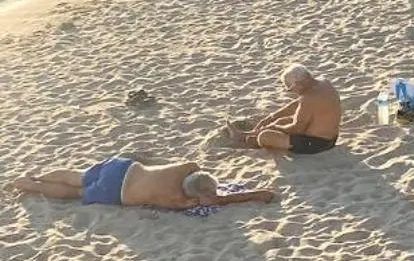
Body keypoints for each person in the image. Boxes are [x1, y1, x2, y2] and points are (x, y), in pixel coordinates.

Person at [9, 158, 276, 208]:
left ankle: (37, 175)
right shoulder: (178, 200)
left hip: (123, 166)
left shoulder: (189, 167)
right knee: (75, 193)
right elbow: (219, 200)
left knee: (77, 175)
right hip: (118, 191)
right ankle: (27, 185)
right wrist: (255, 194)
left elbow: (199, 171)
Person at [222, 64, 342, 155]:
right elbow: (296, 105)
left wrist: (275, 128)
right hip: (330, 137)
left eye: (290, 89)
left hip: (317, 144)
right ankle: (246, 135)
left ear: (298, 84)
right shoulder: (324, 84)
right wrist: (271, 118)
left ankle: (249, 140)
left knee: (265, 136)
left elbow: (297, 128)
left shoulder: (308, 98)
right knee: (283, 121)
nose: (292, 92)